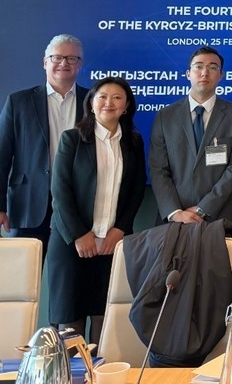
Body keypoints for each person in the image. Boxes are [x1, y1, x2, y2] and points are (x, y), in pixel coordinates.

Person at [48, 76, 145, 345]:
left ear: (126, 106)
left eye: (117, 97)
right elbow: (60, 191)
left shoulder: (134, 142)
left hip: (111, 244)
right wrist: (79, 234)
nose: (108, 102)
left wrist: (120, 229)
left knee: (105, 322)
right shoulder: (72, 139)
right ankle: (72, 370)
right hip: (71, 244)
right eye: (102, 96)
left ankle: (100, 369)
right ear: (91, 103)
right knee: (70, 325)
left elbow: (136, 190)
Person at [0, 34, 88, 255]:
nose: (64, 63)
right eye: (57, 57)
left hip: (79, 206)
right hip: (28, 203)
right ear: (45, 62)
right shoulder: (18, 102)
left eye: (72, 58)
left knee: (71, 273)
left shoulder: (93, 101)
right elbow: (2, 156)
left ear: (80, 64)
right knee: (20, 273)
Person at [149, 46, 232, 224]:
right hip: (174, 218)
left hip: (217, 217)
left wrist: (204, 208)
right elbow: (158, 169)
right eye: (199, 66)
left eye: (212, 67)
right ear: (188, 74)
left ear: (221, 75)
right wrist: (175, 212)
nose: (205, 73)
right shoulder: (165, 116)